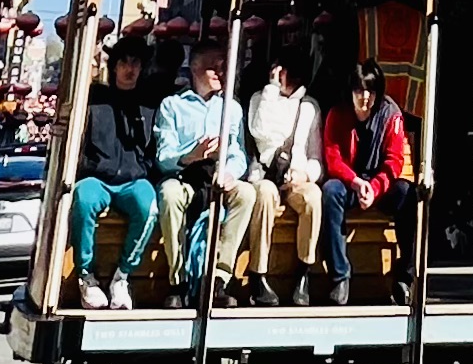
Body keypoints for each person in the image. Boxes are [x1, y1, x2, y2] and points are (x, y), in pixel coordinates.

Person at [149, 46, 260, 306]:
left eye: (225, 68)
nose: (222, 74)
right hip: (185, 176)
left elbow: (238, 153)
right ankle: (179, 281)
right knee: (169, 194)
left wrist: (230, 173)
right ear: (197, 69)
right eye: (216, 68)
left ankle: (219, 278)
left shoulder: (231, 108)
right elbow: (164, 157)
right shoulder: (172, 105)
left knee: (246, 193)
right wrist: (192, 154)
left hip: (217, 176)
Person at [66, 45, 157, 308]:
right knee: (83, 199)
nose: (130, 69)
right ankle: (86, 274)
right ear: (114, 66)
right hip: (98, 177)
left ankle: (122, 276)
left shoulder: (148, 106)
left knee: (148, 206)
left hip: (134, 180)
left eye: (135, 63)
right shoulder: (94, 98)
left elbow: (152, 148)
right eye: (125, 62)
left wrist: (144, 167)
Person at [318, 67, 417, 308]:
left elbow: (394, 161)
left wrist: (374, 187)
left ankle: (405, 273)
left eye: (371, 90)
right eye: (359, 90)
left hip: (379, 184)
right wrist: (356, 182)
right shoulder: (337, 114)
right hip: (349, 181)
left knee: (408, 193)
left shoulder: (390, 114)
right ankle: (340, 276)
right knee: (330, 192)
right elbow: (333, 158)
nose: (365, 96)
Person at [244, 56, 326, 304]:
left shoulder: (309, 106)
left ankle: (303, 273)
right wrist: (271, 91)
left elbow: (316, 156)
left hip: (295, 178)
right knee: (265, 194)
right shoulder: (260, 99)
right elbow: (260, 131)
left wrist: (304, 174)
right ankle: (258, 274)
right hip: (264, 174)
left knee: (313, 197)